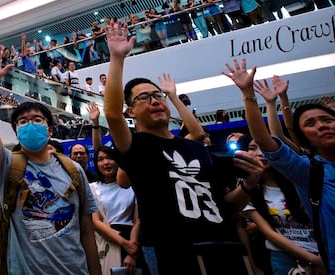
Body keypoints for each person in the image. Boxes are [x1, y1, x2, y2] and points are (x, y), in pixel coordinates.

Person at [102, 21, 263, 274]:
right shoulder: (137, 146)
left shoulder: (196, 150)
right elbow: (112, 114)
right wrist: (117, 58)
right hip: (172, 253)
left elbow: (225, 207)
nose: (154, 101)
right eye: (144, 98)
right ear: (131, 112)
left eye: (157, 96)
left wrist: (249, 186)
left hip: (223, 249)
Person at [0, 44, 101, 275]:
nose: (29, 124)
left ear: (50, 130)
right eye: (22, 122)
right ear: (16, 132)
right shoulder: (7, 166)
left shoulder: (73, 169)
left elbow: (86, 229)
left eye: (37, 119)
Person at [223, 59, 334, 274]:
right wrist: (249, 94)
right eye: (310, 124)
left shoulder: (295, 178)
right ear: (304, 140)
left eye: (327, 119)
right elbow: (270, 138)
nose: (322, 125)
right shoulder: (308, 171)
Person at [89, 146, 141, 275]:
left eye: (110, 158)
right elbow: (96, 221)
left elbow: (138, 220)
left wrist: (132, 252)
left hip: (132, 239)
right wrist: (124, 243)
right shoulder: (92, 188)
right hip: (106, 240)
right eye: (100, 159)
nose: (106, 163)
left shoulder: (133, 186)